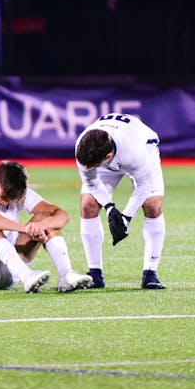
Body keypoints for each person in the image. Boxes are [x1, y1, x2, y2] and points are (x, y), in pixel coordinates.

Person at [0, 160, 93, 293]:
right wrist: (24, 228)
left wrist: (41, 226)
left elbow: (62, 215)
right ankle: (27, 276)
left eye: (12, 199)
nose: (5, 203)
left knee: (46, 217)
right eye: (4, 197)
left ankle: (66, 275)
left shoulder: (18, 190)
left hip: (8, 270)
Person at [74, 113, 167, 290]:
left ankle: (150, 274)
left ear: (107, 157)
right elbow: (91, 182)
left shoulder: (134, 152)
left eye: (91, 165)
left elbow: (144, 184)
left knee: (152, 206)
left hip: (144, 149)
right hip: (109, 155)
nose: (86, 168)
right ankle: (95, 274)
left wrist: (126, 216)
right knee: (88, 204)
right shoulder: (83, 146)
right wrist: (110, 208)